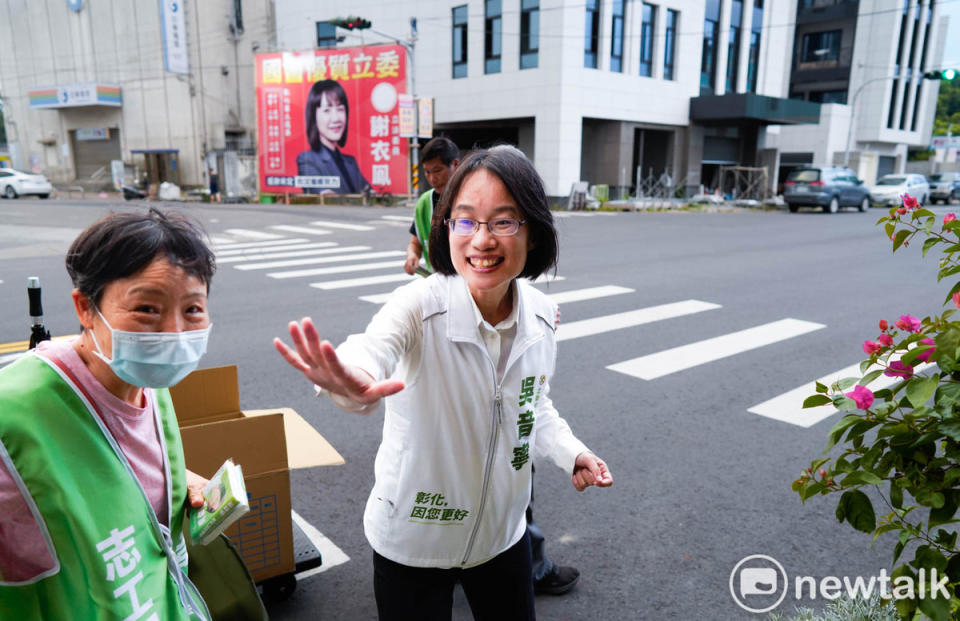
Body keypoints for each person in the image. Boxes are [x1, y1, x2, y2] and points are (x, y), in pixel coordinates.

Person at [275, 145, 613, 620]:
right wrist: (351, 380)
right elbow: (370, 349)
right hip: (414, 539)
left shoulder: (541, 314)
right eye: (466, 220)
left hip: (502, 536)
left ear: (532, 231)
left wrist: (571, 451)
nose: (482, 240)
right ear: (447, 226)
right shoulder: (418, 305)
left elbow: (532, 405)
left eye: (503, 221)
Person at [0, 208, 216, 620]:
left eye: (192, 310)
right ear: (85, 308)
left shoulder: (146, 384)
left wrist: (175, 478)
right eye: (147, 310)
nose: (174, 334)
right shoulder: (12, 415)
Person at [297, 79, 370, 195]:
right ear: (313, 117)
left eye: (340, 109)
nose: (336, 118)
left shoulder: (350, 162)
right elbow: (324, 195)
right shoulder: (307, 160)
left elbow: (368, 191)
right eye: (327, 110)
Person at [404, 136, 460, 275]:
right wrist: (412, 255)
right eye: (427, 172)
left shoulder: (472, 197)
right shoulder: (424, 202)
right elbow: (415, 243)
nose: (432, 178)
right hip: (437, 281)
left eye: (437, 170)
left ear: (455, 164)